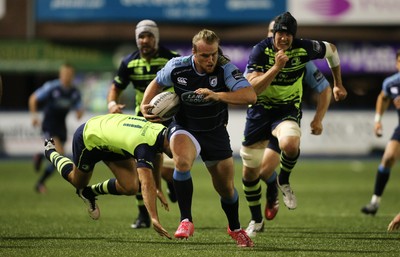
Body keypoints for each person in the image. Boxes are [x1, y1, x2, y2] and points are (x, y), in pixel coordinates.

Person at [140, 29, 257, 247]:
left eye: (213, 53)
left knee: (226, 189)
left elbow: (250, 96)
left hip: (215, 131)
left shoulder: (225, 69)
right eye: (205, 55)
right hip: (185, 127)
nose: (211, 59)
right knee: (182, 162)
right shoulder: (177, 66)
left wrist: (218, 95)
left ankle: (235, 227)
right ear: (194, 52)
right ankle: (186, 220)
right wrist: (143, 105)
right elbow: (156, 83)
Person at [240, 11, 347, 234]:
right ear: (272, 35)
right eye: (279, 33)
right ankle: (256, 219)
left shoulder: (303, 51)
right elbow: (252, 89)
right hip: (259, 113)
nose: (283, 38)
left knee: (290, 144)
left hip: (286, 111)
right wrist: (277, 67)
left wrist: (338, 84)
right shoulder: (259, 51)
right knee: (251, 175)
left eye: (288, 34)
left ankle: (283, 181)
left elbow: (332, 50)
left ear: (294, 36)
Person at [43, 113, 172, 239]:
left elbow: (157, 155)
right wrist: (154, 218)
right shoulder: (144, 146)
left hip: (112, 143)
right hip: (90, 137)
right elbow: (146, 184)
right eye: (176, 150)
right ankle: (50, 152)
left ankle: (89, 193)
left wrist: (158, 188)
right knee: (77, 182)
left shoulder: (161, 131)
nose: (177, 155)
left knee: (131, 187)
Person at [106, 19, 180, 229]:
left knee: (167, 170)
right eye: (141, 36)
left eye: (149, 36)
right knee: (142, 166)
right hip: (142, 121)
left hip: (170, 119)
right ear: (136, 39)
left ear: (156, 38)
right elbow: (115, 88)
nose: (145, 40)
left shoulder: (172, 58)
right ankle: (143, 215)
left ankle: (173, 183)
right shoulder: (128, 62)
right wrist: (112, 104)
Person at [29, 63, 84, 193]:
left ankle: (40, 156)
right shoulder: (52, 87)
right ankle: (40, 183)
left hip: (61, 127)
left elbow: (79, 107)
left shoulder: (74, 92)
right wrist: (34, 115)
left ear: (72, 76)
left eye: (69, 74)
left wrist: (79, 112)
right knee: (59, 155)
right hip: (49, 125)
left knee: (55, 156)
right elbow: (33, 99)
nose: (66, 77)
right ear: (60, 74)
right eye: (64, 74)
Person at [361, 49, 400, 216]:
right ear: (397, 63)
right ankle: (374, 202)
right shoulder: (392, 83)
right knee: (388, 157)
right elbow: (383, 97)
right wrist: (378, 120)